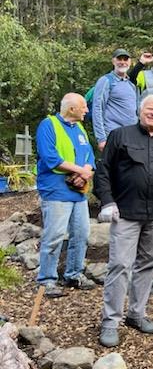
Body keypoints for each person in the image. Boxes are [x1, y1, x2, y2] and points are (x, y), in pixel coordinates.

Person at [95, 95, 153, 347]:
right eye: (149, 109)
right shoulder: (120, 135)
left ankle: (137, 313)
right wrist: (107, 201)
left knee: (147, 264)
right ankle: (111, 321)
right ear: (140, 110)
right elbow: (104, 171)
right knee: (120, 265)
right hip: (125, 212)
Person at [35, 93, 96, 298]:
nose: (87, 110)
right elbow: (50, 157)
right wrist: (81, 170)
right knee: (54, 236)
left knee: (82, 234)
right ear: (71, 109)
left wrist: (85, 171)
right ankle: (46, 280)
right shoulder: (48, 125)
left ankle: (74, 274)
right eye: (84, 107)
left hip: (77, 192)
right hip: (55, 190)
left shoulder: (79, 129)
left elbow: (90, 155)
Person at [92, 48, 139, 151]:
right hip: (113, 135)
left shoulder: (131, 85)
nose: (122, 62)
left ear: (130, 62)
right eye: (119, 59)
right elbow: (97, 108)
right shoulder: (106, 81)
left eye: (125, 59)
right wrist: (101, 138)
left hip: (132, 137)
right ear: (113, 61)